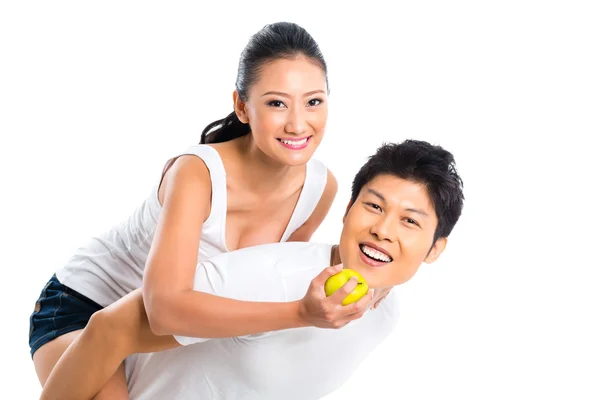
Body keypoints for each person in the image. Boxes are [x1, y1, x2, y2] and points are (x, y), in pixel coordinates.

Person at [29, 21, 378, 399]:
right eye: (277, 102)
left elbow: (265, 276)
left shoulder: (320, 188)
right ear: (242, 107)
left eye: (313, 101)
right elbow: (163, 310)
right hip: (83, 309)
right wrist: (299, 313)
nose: (298, 123)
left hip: (160, 335)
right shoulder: (197, 174)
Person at [39, 139, 465, 400]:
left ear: (435, 249)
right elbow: (108, 329)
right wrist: (297, 312)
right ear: (348, 211)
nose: (382, 230)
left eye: (410, 221)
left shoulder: (384, 315)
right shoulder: (265, 276)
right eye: (373, 206)